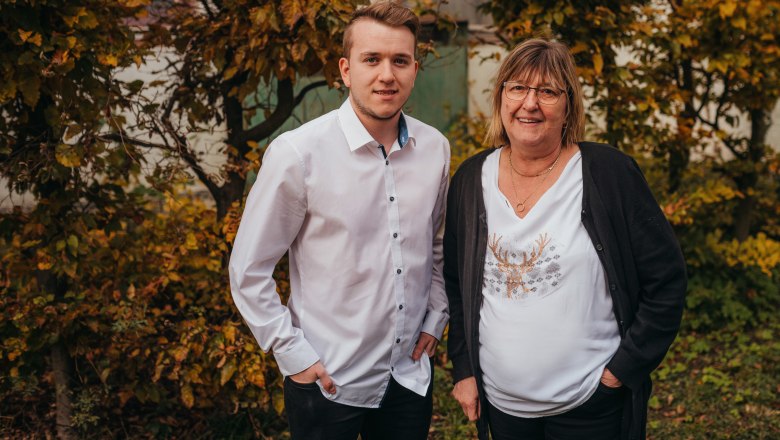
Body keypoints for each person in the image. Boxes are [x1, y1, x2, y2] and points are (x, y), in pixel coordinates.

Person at [444, 38, 687, 440]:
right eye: (517, 88)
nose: (530, 103)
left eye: (547, 91)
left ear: (569, 104)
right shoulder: (471, 180)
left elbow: (667, 282)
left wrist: (620, 374)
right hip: (503, 409)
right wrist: (464, 368)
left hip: (591, 407)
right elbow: (456, 285)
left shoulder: (608, 174)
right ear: (501, 97)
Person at [229, 2, 449, 439]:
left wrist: (436, 317)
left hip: (408, 377)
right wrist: (293, 355)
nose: (387, 74)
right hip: (327, 381)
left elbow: (437, 243)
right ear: (346, 70)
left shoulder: (435, 148)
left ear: (414, 69)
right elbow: (248, 270)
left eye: (399, 60)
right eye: (372, 59)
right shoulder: (298, 154)